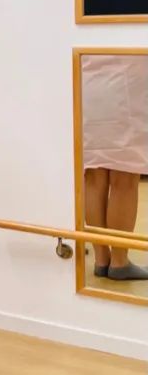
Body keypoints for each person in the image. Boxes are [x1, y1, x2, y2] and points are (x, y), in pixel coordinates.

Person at [82, 53, 148, 279]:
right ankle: (119, 261)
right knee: (125, 175)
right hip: (129, 81)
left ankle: (101, 258)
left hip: (89, 80)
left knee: (93, 174)